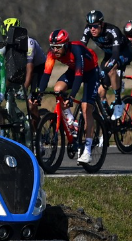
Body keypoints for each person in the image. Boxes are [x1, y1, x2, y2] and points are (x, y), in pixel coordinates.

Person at [38, 29, 100, 164]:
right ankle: (71, 120)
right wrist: (39, 93)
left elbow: (79, 76)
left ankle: (88, 151)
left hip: (90, 72)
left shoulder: (76, 50)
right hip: (73, 70)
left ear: (66, 45)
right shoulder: (52, 53)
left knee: (85, 107)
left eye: (58, 47)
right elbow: (46, 74)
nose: (55, 50)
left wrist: (71, 96)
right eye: (53, 47)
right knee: (57, 89)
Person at [81, 10, 129, 107]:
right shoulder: (88, 30)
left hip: (123, 53)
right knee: (100, 92)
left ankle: (118, 101)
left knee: (111, 69)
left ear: (102, 24)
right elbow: (81, 49)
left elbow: (115, 55)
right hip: (108, 55)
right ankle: (107, 114)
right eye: (90, 26)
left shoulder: (112, 31)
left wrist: (104, 71)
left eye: (95, 26)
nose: (92, 29)